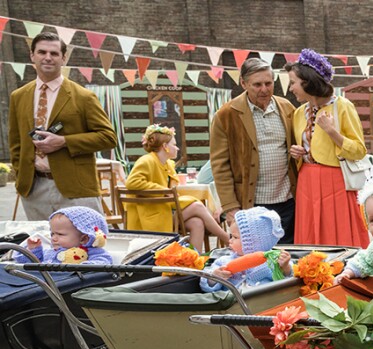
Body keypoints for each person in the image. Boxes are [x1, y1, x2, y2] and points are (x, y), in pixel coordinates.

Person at [7, 32, 117, 220]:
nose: (48, 57)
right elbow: (16, 142)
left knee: (87, 247)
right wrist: (21, 176)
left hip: (75, 188)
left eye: (54, 53)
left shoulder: (83, 96)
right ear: (32, 56)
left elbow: (108, 137)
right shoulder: (18, 96)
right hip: (34, 189)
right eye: (42, 52)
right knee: (44, 247)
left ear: (63, 58)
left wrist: (64, 141)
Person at [286, 49, 370, 248]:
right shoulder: (299, 113)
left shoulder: (342, 106)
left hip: (336, 181)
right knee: (309, 232)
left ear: (307, 82)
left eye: (292, 82)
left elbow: (359, 150)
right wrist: (298, 153)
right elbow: (310, 147)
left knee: (339, 233)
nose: (290, 89)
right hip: (307, 181)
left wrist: (333, 132)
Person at [210, 58, 297, 243]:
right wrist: (230, 207)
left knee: (287, 256)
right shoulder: (226, 115)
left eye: (268, 83)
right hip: (250, 204)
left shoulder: (287, 108)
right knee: (255, 258)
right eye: (257, 84)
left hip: (288, 201)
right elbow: (220, 165)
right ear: (243, 83)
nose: (264, 89)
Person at [124, 125, 229, 253]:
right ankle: (226, 237)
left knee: (197, 223)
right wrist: (162, 190)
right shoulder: (146, 161)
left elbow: (172, 188)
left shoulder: (167, 164)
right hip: (150, 215)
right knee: (197, 206)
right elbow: (131, 182)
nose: (177, 148)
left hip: (163, 210)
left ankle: (192, 261)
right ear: (165, 146)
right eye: (174, 144)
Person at [200, 207, 292, 292]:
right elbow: (206, 287)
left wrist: (285, 267)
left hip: (263, 304)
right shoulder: (224, 262)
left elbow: (288, 283)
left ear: (254, 243)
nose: (230, 240)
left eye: (235, 237)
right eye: (231, 236)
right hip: (233, 306)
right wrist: (215, 277)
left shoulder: (272, 262)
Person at [14, 206, 111, 265]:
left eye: (60, 234)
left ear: (84, 239)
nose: (53, 238)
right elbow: (26, 262)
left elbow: (103, 262)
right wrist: (33, 250)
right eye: (52, 233)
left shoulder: (93, 253)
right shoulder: (49, 252)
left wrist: (83, 267)